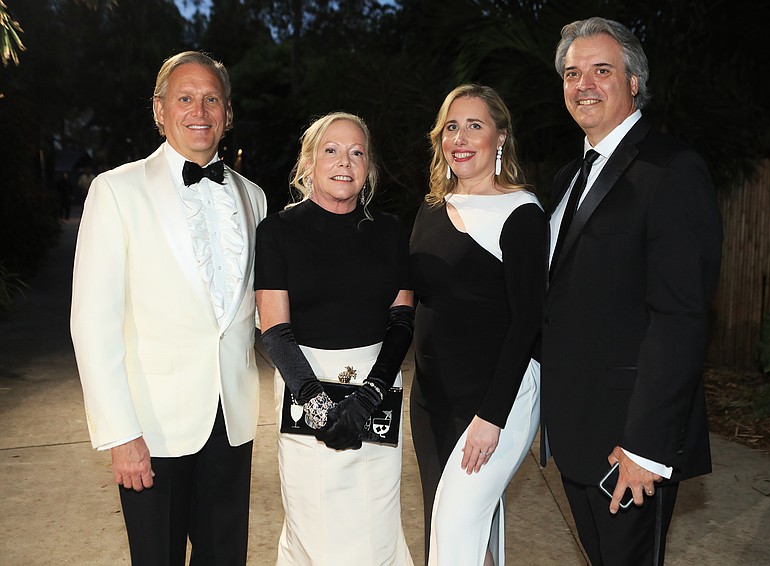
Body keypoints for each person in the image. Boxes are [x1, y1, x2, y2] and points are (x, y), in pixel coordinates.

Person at [70, 51, 267, 565]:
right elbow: (92, 323)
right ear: (159, 111)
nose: (198, 110)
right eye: (184, 98)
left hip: (233, 419)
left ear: (226, 112)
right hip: (152, 427)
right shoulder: (116, 190)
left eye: (211, 99)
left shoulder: (254, 198)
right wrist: (120, 433)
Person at [541, 17, 723, 565]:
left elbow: (681, 317)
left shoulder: (672, 169)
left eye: (602, 70)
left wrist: (646, 447)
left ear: (635, 81)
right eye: (573, 73)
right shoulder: (569, 176)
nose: (584, 84)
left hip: (630, 440)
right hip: (576, 432)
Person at [254, 112, 415, 566]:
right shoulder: (277, 232)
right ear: (308, 163)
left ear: (369, 168)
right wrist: (319, 405)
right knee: (314, 529)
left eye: (357, 152)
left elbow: (402, 321)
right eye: (331, 150)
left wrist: (368, 397)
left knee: (375, 528)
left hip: (377, 389)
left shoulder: (390, 231)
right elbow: (275, 331)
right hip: (304, 388)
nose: (344, 162)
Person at [409, 84, 547, 566]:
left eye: (475, 125)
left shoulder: (522, 213)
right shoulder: (430, 208)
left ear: (500, 138)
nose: (461, 137)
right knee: (457, 533)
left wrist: (492, 417)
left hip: (496, 400)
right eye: (451, 126)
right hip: (431, 398)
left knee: (455, 532)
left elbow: (529, 321)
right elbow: (410, 297)